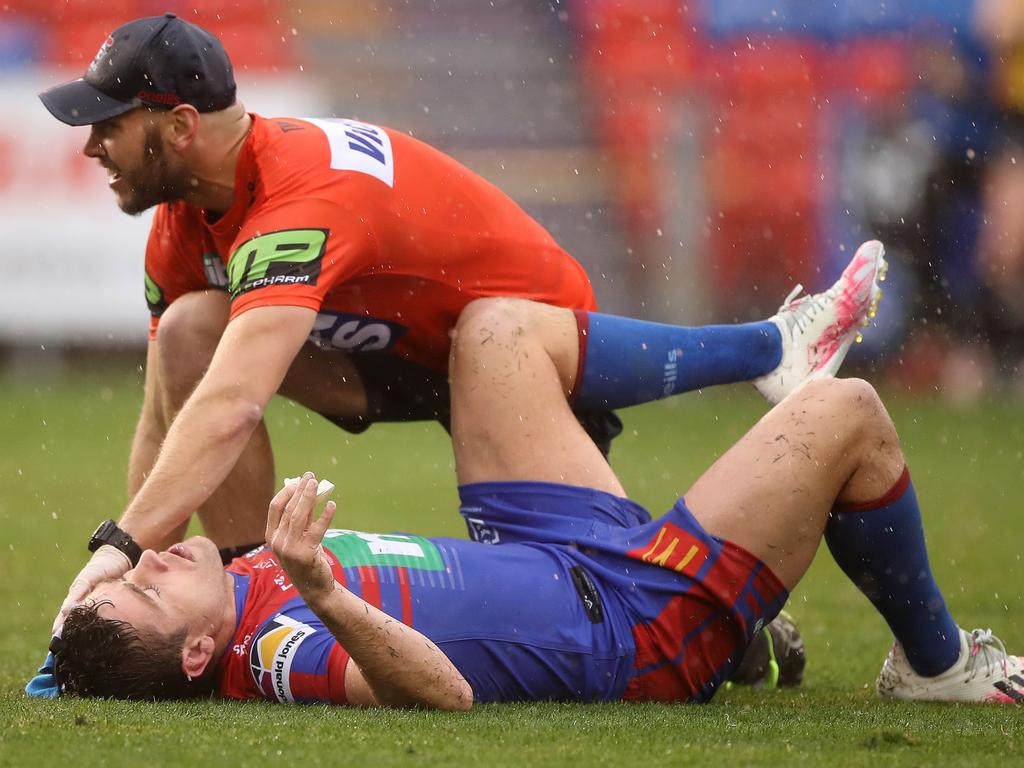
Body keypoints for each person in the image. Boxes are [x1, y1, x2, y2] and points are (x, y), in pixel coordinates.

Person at [38, 12, 887, 627]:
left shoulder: (303, 193)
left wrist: (116, 545)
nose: (89, 148)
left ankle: (753, 614)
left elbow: (231, 406)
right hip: (399, 357)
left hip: (521, 346)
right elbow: (170, 411)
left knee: (608, 597)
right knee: (191, 330)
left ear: (181, 126)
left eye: (108, 125)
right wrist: (132, 584)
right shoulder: (182, 225)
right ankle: (245, 597)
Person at [47, 279, 1023, 706]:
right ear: (201, 653)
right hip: (630, 615)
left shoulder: (226, 586)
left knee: (495, 331)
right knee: (847, 412)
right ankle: (933, 665)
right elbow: (446, 695)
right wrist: (323, 588)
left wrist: (74, 631)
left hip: (542, 545)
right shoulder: (273, 647)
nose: (157, 556)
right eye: (147, 588)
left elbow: (202, 434)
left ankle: (767, 351)